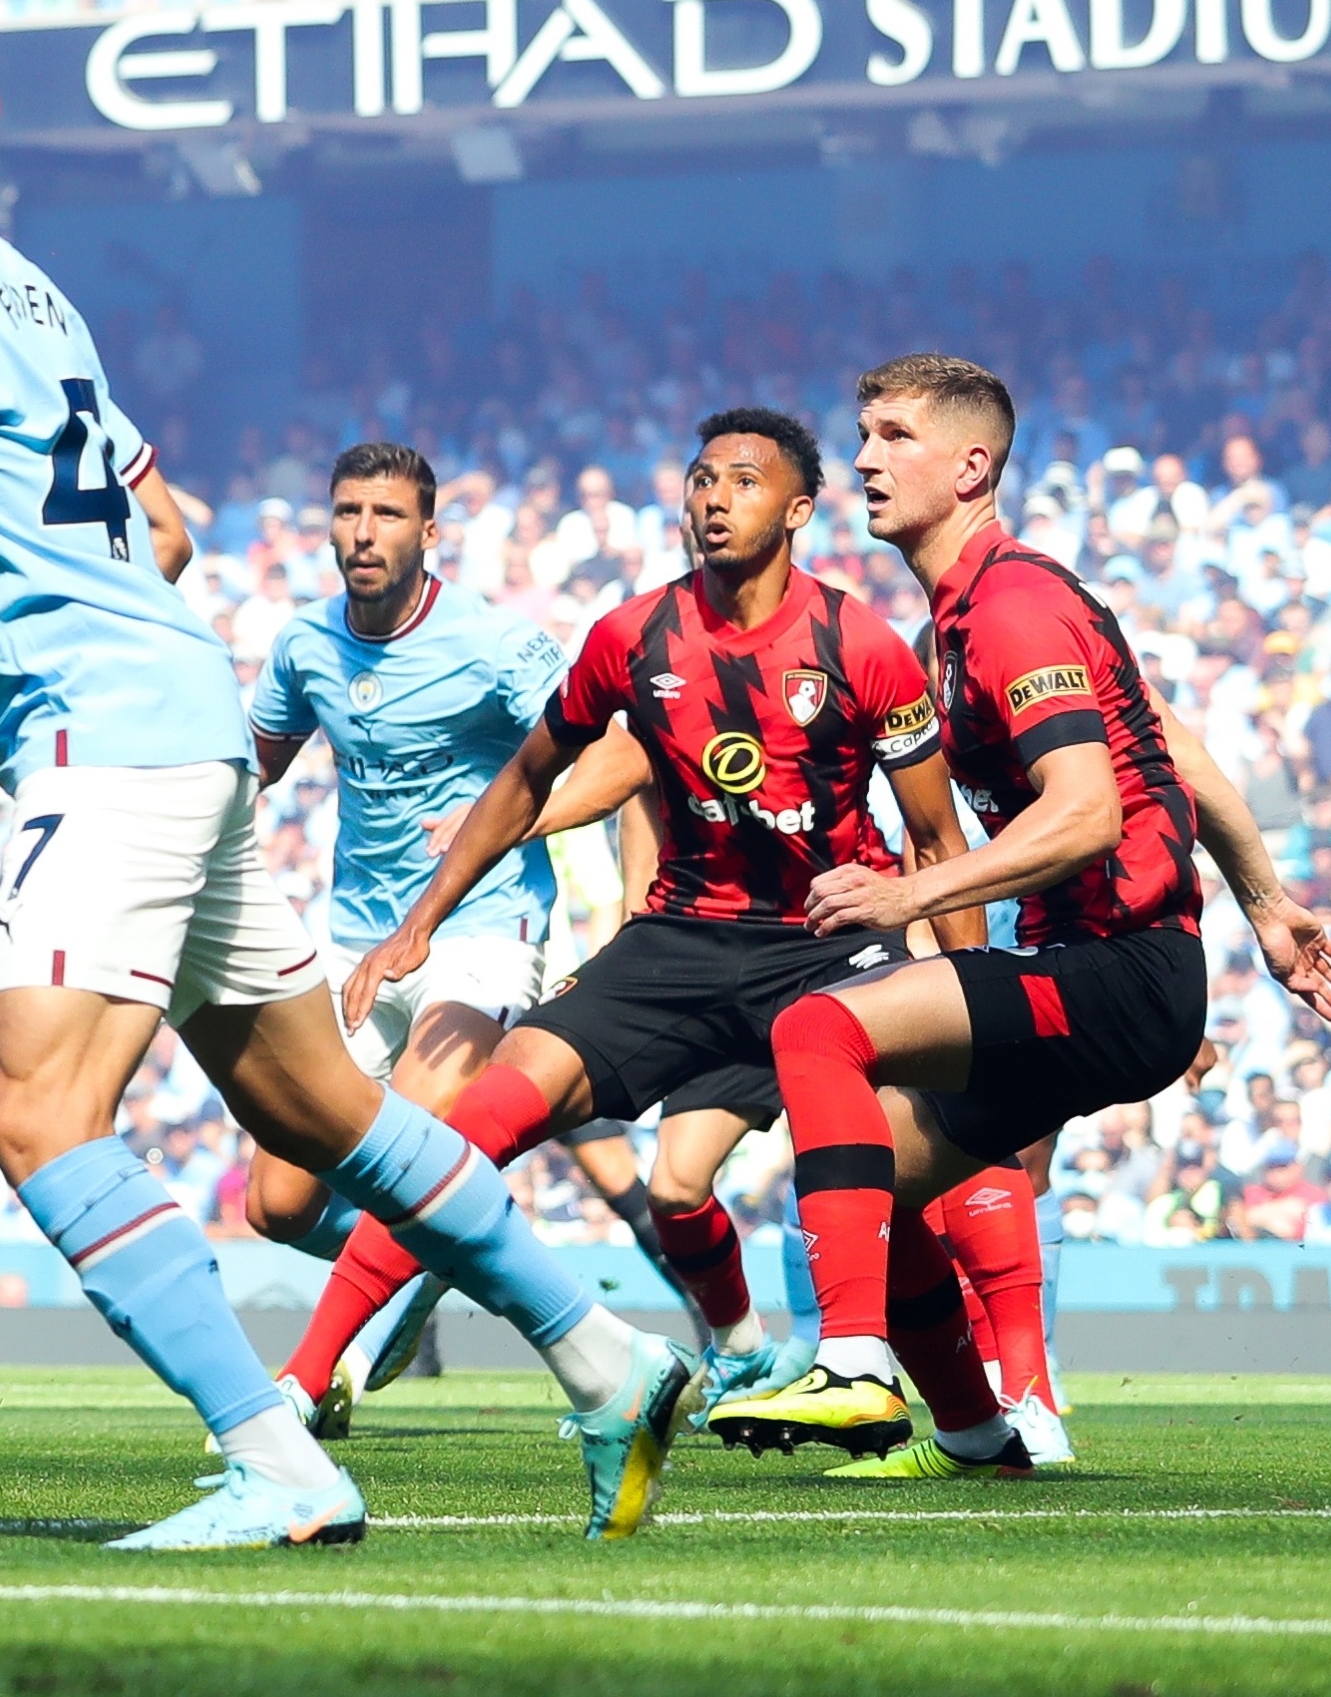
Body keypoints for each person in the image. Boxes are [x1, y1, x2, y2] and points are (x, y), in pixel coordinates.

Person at [0, 0, 693, 1551]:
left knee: (42, 1115)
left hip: (111, 738)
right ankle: (604, 1356)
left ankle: (279, 1456)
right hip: (176, 709)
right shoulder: (37, 296)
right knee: (314, 1101)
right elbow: (160, 533)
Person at [711, 354, 1331, 1476]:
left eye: (892, 435)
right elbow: (1166, 738)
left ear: (969, 466)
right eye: (860, 433)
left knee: (818, 1030)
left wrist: (911, 891)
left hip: (1118, 963)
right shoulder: (970, 617)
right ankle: (977, 1428)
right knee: (867, 1173)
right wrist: (1263, 901)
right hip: (1119, 964)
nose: (861, 456)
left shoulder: (1009, 609)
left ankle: (856, 1363)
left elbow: (1088, 812)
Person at [287, 410, 972, 1433]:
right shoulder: (629, 636)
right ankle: (299, 1378)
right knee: (471, 1130)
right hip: (678, 944)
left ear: (795, 509)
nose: (712, 495)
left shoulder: (859, 644)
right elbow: (524, 779)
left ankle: (956, 1414)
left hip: (829, 937)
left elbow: (933, 840)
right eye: (700, 478)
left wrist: (971, 992)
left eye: (742, 479)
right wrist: (417, 921)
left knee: (885, 1163)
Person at [240, 442, 690, 1433]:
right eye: (347, 510)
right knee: (272, 1202)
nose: (363, 531)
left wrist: (508, 822)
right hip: (354, 940)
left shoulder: (491, 643)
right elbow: (251, 768)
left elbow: (621, 755)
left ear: (428, 531)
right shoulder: (304, 643)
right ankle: (428, 1261)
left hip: (480, 931)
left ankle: (331, 1358)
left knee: (410, 1147)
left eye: (387, 514)